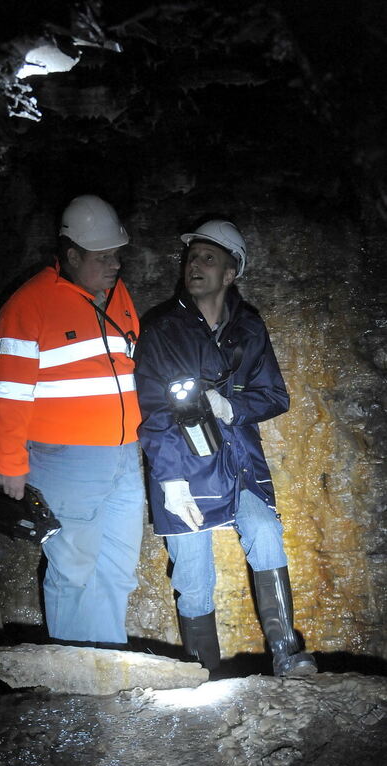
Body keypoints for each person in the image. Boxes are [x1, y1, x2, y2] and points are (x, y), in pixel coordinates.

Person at [134, 219, 317, 677]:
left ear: (230, 272)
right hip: (183, 467)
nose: (194, 265)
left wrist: (231, 406)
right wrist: (170, 479)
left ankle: (287, 653)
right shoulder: (162, 329)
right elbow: (153, 411)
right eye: (191, 257)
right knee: (194, 578)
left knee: (267, 534)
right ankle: (203, 677)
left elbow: (277, 396)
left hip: (239, 463)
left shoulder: (249, 327)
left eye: (207, 258)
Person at [0, 195, 144, 647]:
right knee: (73, 570)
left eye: (117, 255)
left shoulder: (117, 296)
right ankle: (73, 676)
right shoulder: (29, 304)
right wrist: (11, 465)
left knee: (117, 568)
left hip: (123, 457)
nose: (114, 265)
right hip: (64, 463)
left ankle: (108, 662)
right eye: (102, 257)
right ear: (72, 254)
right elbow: (9, 393)